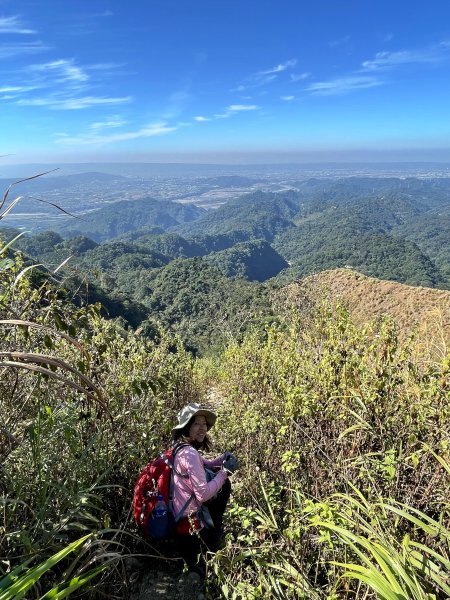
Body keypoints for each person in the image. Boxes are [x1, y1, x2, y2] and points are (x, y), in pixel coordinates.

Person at [171, 402, 238, 574]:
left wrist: (222, 458)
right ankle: (211, 542)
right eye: (196, 424)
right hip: (190, 524)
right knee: (224, 485)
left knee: (218, 480)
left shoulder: (181, 448)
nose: (202, 428)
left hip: (180, 514)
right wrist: (224, 473)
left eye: (204, 424)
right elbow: (203, 495)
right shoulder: (190, 454)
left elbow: (205, 464)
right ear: (186, 426)